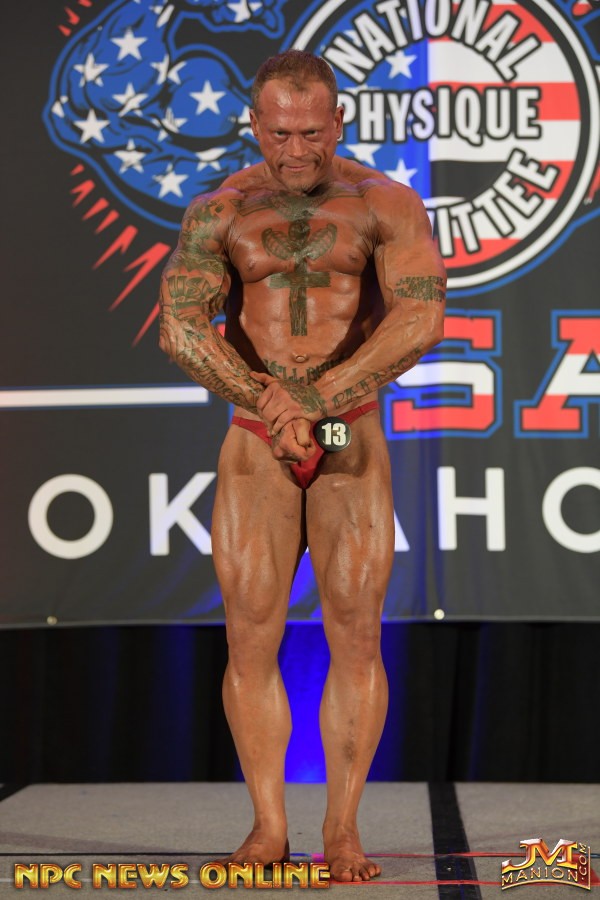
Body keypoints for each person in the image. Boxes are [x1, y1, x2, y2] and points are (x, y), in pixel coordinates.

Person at [159, 49, 445, 882]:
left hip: (348, 433)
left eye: (313, 133)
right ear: (255, 125)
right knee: (250, 636)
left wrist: (317, 400)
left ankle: (344, 830)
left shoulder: (385, 203)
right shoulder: (218, 211)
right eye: (280, 134)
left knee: (355, 633)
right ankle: (268, 827)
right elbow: (180, 327)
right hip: (257, 437)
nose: (296, 151)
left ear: (339, 122)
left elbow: (421, 319)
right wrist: (272, 403)